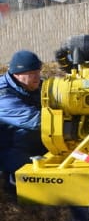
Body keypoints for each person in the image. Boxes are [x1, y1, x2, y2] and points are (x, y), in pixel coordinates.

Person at [0, 50, 48, 187]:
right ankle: (16, 184)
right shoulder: (3, 94)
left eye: (38, 71)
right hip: (7, 146)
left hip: (25, 141)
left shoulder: (33, 86)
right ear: (17, 74)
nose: (37, 77)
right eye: (32, 73)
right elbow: (34, 120)